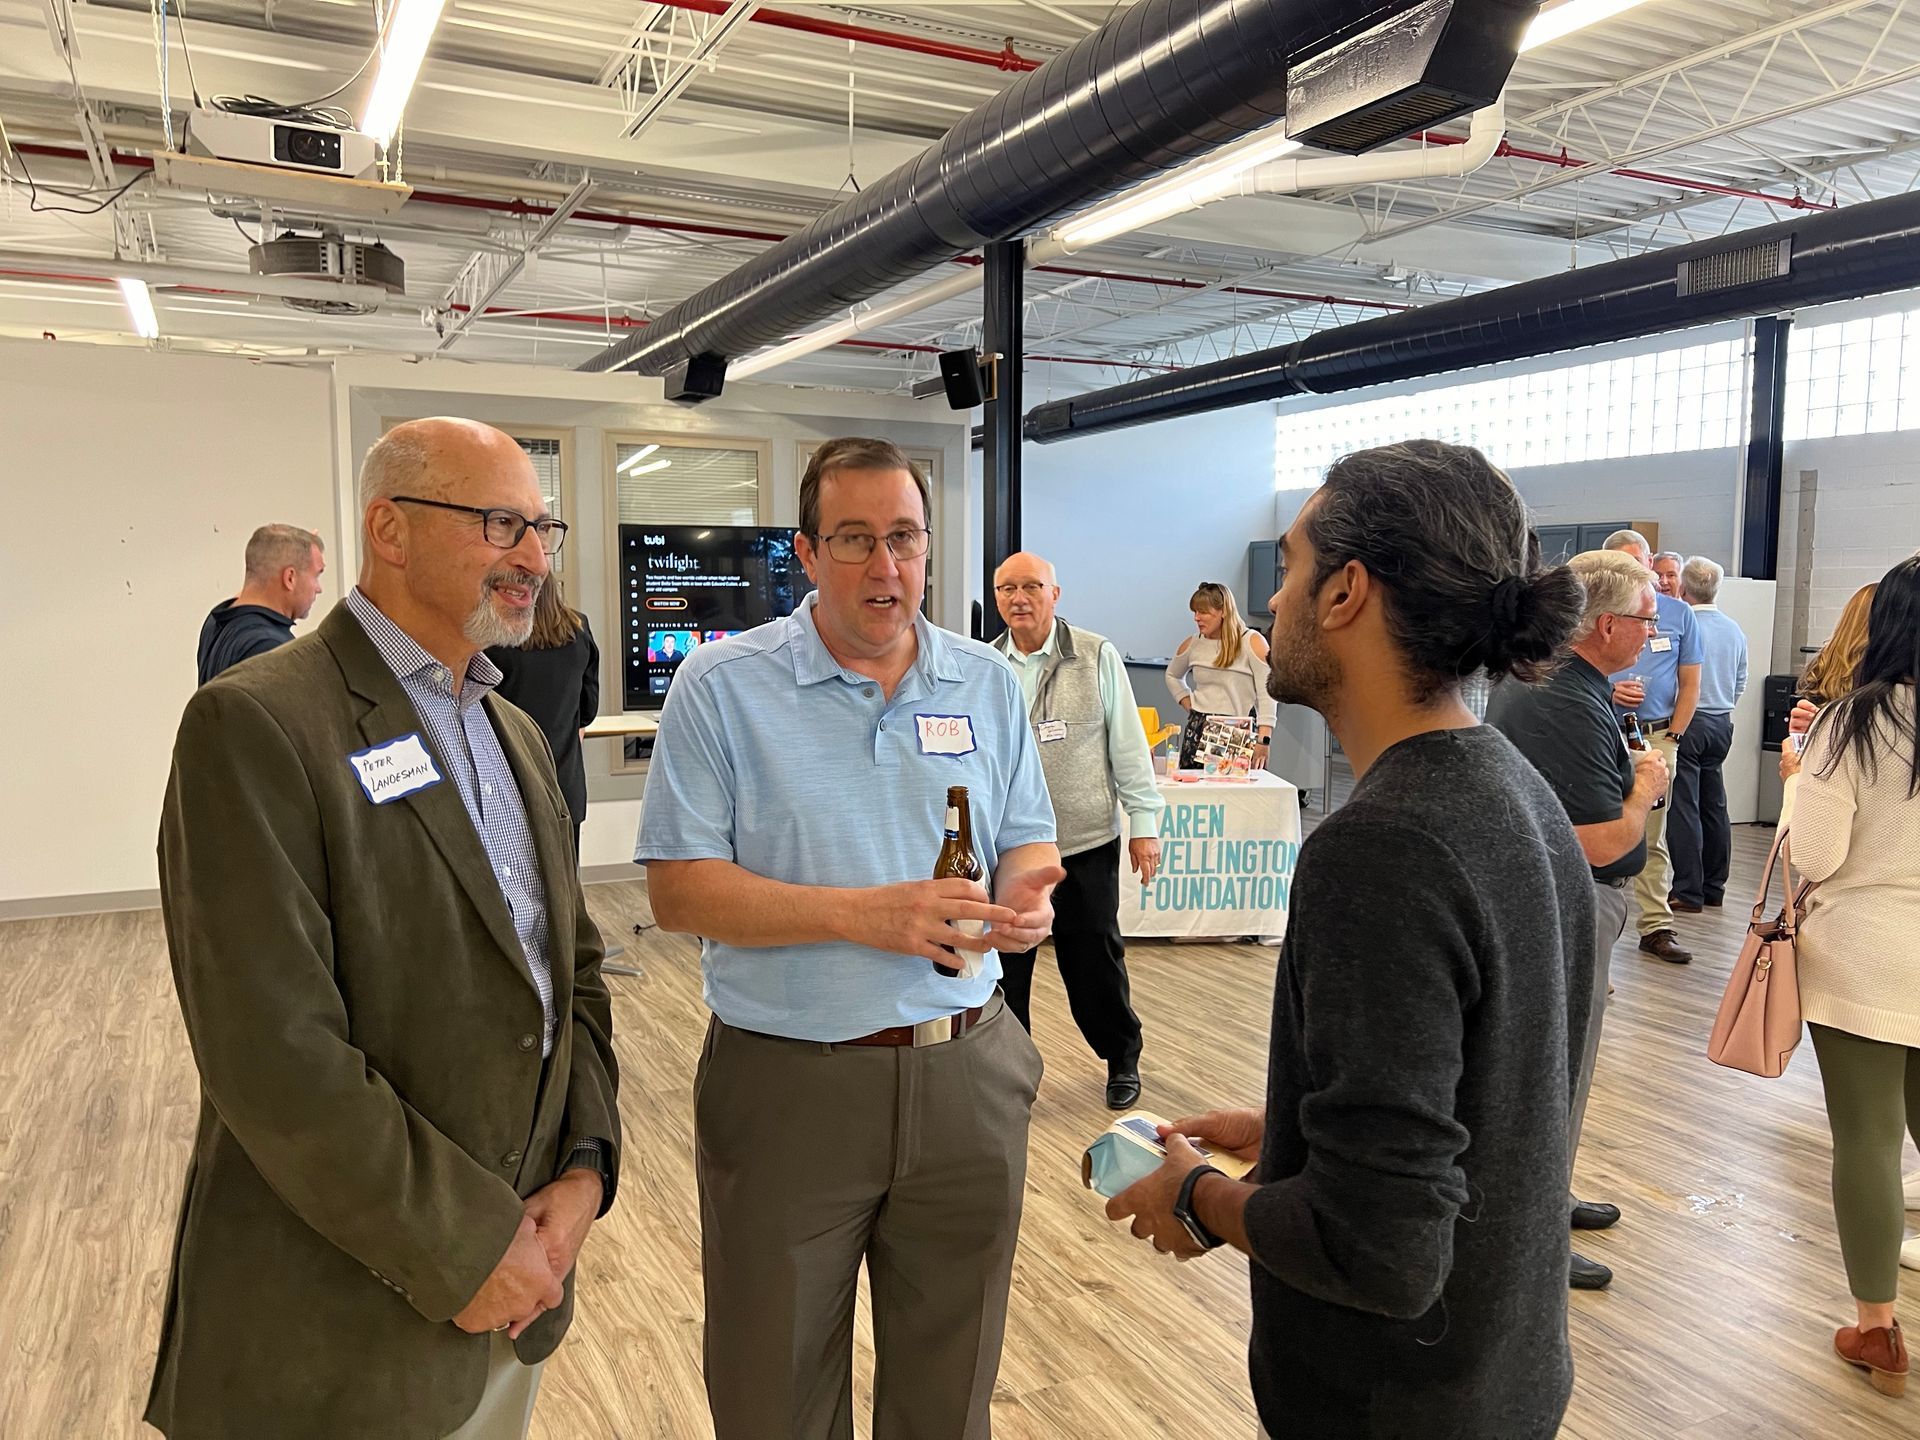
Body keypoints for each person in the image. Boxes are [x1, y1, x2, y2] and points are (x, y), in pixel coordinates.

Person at [1105, 439, 1592, 1439]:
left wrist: (1195, 1196)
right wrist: (1294, 1122)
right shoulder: (1518, 795)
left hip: (1385, 1404)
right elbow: (1493, 1098)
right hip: (1504, 1375)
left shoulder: (1381, 848)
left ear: (1347, 592)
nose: (1269, 604)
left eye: (1287, 569)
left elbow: (1378, 1249)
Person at [148, 418, 621, 1440]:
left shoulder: (515, 735)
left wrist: (584, 1167)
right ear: (389, 530)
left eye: (545, 528)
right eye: (502, 524)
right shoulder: (259, 724)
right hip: (347, 1322)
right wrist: (465, 1247)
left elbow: (569, 976)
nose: (535, 558)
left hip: (522, 1288)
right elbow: (272, 1053)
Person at [635, 436, 1064, 1440]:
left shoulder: (987, 683)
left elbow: (1026, 836)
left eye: (906, 539)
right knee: (771, 1388)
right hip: (790, 1085)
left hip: (968, 1077)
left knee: (951, 1395)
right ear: (807, 551)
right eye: (857, 540)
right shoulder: (721, 685)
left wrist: (1030, 893)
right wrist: (864, 914)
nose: (887, 568)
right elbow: (677, 890)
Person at [1489, 548, 1672, 1293]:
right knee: (1556, 1066)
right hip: (1573, 896)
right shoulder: (1563, 698)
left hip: (1560, 896)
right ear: (1605, 627)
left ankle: (1545, 1199)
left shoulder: (1567, 685)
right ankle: (1531, 1233)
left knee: (1562, 1062)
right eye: (1646, 622)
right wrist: (1642, 794)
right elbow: (1599, 838)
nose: (1652, 636)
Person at [1778, 556, 1920, 1397]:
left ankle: (1876, 1328)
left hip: (1864, 949)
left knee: (1868, 1139)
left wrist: (1797, 788)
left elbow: (1819, 856)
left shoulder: (1851, 723)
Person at [990, 550, 1164, 1109]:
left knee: (1093, 960)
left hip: (1084, 841)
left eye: (1032, 587)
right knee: (1005, 968)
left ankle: (1121, 1058)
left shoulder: (1094, 656)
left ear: (1055, 595)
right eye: (1007, 588)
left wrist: (1144, 824)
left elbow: (1128, 749)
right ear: (996, 597)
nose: (1019, 598)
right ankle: (1008, 1074)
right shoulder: (983, 665)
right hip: (1008, 847)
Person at [1602, 529, 1700, 965]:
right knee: (1599, 824)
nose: (1642, 573)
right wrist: (1609, 693)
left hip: (1657, 736)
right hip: (1603, 730)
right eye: (1627, 565)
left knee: (1653, 834)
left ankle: (1657, 927)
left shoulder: (1679, 615)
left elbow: (1691, 682)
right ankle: (1597, 934)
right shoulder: (1591, 615)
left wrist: (1674, 736)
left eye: (1642, 563)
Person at [487, 576, 601, 856]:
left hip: (508, 790)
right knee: (565, 888)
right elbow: (588, 711)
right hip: (566, 788)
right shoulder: (579, 629)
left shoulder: (493, 638)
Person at [1668, 557, 1747, 913]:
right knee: (1714, 805)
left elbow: (1679, 680)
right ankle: (1715, 886)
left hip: (1690, 722)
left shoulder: (1684, 627)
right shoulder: (1734, 629)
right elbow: (1741, 679)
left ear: (1683, 589)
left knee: (1683, 807)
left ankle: (1687, 891)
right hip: (1721, 723)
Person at [196, 523, 327, 683]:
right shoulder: (271, 649)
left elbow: (257, 586)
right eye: (316, 576)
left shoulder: (216, 622)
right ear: (290, 578)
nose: (318, 588)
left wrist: (298, 552)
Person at [1166, 581, 1275, 771]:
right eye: (1195, 612)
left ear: (1223, 611)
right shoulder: (1193, 643)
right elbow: (1172, 675)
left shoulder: (1252, 642)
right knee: (1194, 791)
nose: (1197, 618)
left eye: (1203, 612)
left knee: (1233, 795)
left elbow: (1267, 694)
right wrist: (1188, 703)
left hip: (1237, 729)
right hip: (1198, 728)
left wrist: (1263, 740)